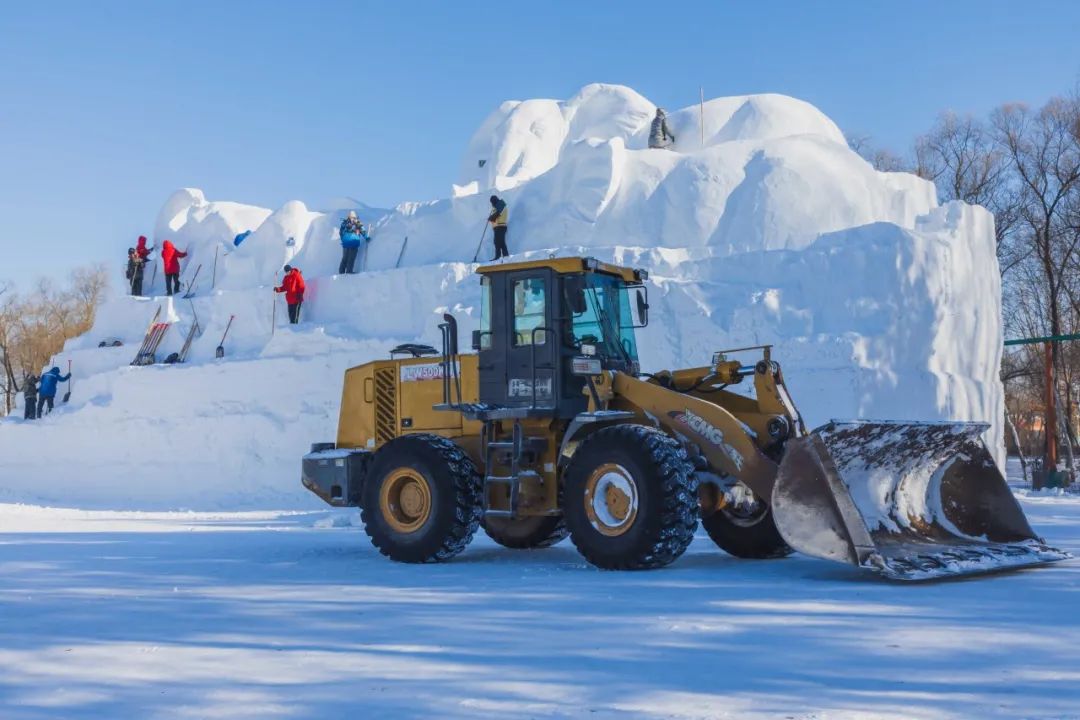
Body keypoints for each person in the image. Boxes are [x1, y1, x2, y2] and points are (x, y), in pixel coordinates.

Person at [488, 195, 509, 260]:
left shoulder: (501, 204)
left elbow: (497, 214)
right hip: (498, 227)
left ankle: (498, 256)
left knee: (497, 242)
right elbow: (495, 215)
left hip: (501, 226)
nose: (492, 203)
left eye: (492, 202)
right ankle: (505, 256)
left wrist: (491, 217)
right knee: (501, 242)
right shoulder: (497, 206)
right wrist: (491, 217)